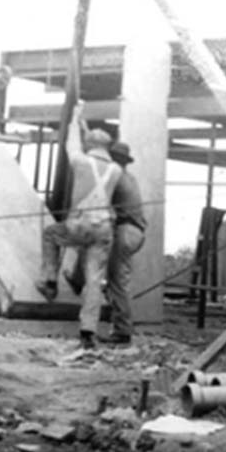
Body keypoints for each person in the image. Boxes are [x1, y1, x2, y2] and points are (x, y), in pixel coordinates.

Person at [36, 102, 121, 349]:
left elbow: (71, 144)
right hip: (104, 228)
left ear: (89, 145)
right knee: (95, 280)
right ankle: (87, 332)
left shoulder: (81, 162)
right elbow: (92, 147)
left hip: (80, 224)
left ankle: (50, 281)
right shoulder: (116, 170)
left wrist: (75, 118)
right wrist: (85, 127)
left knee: (51, 235)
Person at [66, 139, 146, 344]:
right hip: (134, 232)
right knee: (114, 276)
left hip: (125, 231)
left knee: (117, 282)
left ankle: (122, 331)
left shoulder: (114, 175)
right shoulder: (129, 177)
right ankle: (78, 281)